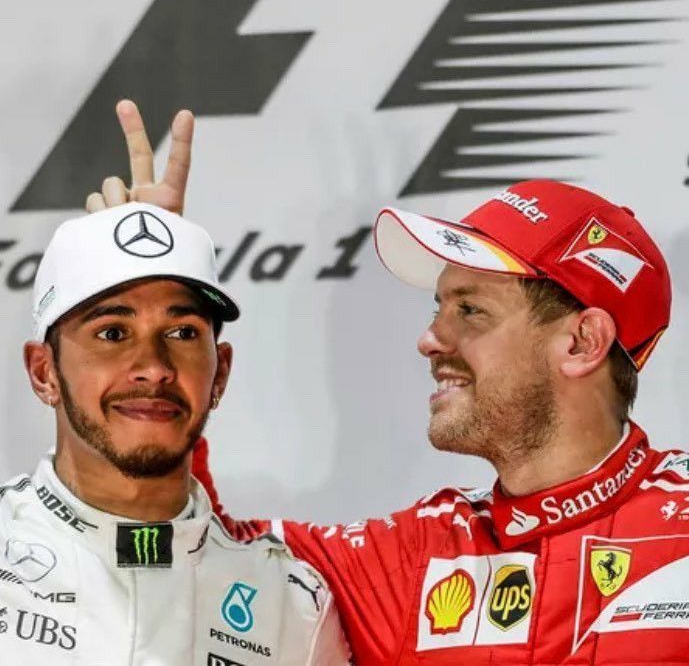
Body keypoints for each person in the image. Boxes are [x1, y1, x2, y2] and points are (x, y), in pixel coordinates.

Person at [94, 101, 689, 665]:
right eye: (439, 309)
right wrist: (154, 285)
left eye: (471, 310)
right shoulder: (411, 556)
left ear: (582, 342)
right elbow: (203, 559)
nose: (430, 339)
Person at [0, 125, 350, 664]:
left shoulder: (292, 607)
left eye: (183, 332)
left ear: (221, 373)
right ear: (43, 371)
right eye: (113, 333)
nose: (153, 368)